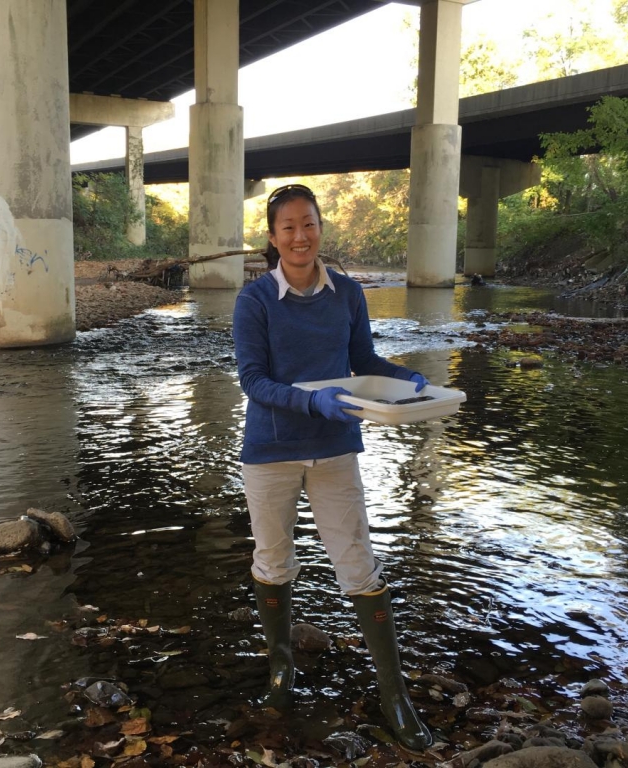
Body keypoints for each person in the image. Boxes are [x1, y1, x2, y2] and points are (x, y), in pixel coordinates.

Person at [232, 183, 434, 751]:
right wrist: (309, 398)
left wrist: (404, 378)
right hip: (271, 451)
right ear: (272, 239)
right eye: (288, 227)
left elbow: (362, 360)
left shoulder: (347, 292)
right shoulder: (254, 301)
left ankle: (395, 694)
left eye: (309, 224)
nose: (300, 236)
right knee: (273, 561)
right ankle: (281, 668)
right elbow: (253, 381)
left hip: (337, 448)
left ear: (321, 227)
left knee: (358, 564)